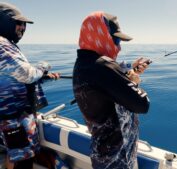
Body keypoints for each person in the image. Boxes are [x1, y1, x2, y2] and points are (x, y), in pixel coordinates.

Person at [73, 11, 150, 169]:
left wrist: (130, 68)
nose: (119, 47)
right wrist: (134, 81)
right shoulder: (102, 66)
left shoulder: (83, 63)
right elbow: (142, 105)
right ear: (99, 35)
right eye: (115, 40)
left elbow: (108, 78)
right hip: (117, 158)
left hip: (101, 152)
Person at [0, 2, 60, 169]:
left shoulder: (7, 43)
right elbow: (27, 74)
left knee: (16, 155)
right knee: (21, 160)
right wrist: (44, 66)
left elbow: (11, 76)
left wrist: (43, 78)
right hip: (13, 119)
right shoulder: (2, 44)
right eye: (19, 23)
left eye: (24, 24)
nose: (23, 27)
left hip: (12, 117)